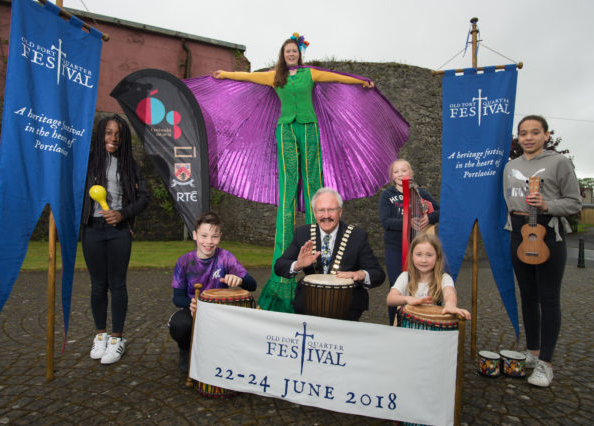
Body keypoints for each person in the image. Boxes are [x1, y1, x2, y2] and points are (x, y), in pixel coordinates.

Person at [212, 34, 374, 313]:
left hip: (310, 129)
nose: (291, 55)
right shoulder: (275, 76)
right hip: (286, 129)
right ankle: (285, 262)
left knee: (314, 187)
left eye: (294, 51)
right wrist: (225, 73)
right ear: (282, 54)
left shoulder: (310, 74)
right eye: (287, 51)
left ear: (299, 54)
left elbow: (336, 78)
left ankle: (320, 250)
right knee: (287, 192)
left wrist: (360, 81)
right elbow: (247, 78)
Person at [503, 115, 581, 387]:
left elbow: (574, 203)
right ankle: (533, 352)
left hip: (548, 233)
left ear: (546, 135)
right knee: (527, 295)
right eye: (523, 133)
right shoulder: (510, 166)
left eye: (535, 132)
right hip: (518, 232)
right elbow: (508, 201)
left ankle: (546, 363)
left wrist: (547, 205)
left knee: (548, 298)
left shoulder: (559, 162)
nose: (528, 138)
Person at [82, 114, 149, 364]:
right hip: (92, 229)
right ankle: (100, 335)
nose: (113, 138)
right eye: (109, 133)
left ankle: (117, 338)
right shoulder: (87, 162)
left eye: (118, 134)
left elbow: (144, 197)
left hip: (119, 232)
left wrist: (122, 214)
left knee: (118, 284)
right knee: (98, 285)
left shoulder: (130, 165)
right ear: (101, 135)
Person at [274, 187, 385, 321]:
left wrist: (360, 274)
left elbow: (378, 274)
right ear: (315, 213)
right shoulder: (302, 233)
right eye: (321, 210)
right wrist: (298, 265)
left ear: (340, 211)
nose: (326, 215)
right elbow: (279, 266)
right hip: (309, 303)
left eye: (331, 210)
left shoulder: (357, 236)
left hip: (347, 305)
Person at [168, 212, 257, 374]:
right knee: (179, 325)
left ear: (220, 237)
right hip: (195, 310)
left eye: (214, 237)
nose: (209, 242)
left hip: (221, 311)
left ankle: (226, 356)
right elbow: (177, 298)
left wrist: (239, 280)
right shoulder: (183, 262)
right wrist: (192, 304)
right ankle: (185, 349)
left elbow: (252, 284)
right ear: (195, 235)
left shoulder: (226, 257)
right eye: (204, 236)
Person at [379, 159, 439, 325]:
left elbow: (440, 211)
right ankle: (395, 325)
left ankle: (416, 322)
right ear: (392, 176)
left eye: (404, 170)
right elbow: (386, 222)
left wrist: (428, 217)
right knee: (396, 287)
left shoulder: (420, 193)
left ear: (411, 173)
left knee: (418, 286)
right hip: (395, 248)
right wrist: (406, 222)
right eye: (396, 172)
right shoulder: (387, 196)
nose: (400, 174)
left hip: (418, 250)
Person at [386, 233, 470, 320]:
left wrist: (450, 305)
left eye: (429, 255)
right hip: (410, 329)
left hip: (435, 327)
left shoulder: (444, 278)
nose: (423, 260)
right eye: (419, 254)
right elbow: (390, 299)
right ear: (411, 256)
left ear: (438, 257)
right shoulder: (405, 277)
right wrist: (407, 299)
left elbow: (449, 293)